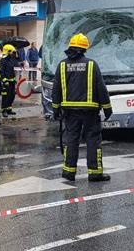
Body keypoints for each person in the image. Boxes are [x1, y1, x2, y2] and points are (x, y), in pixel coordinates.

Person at [51, 33, 112, 182]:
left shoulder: (62, 65)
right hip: (90, 111)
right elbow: (101, 88)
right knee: (93, 141)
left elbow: (56, 88)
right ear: (84, 49)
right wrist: (107, 107)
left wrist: (55, 108)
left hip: (70, 112)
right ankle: (95, 173)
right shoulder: (91, 64)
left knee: (71, 140)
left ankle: (69, 172)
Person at [0, 44, 19, 118]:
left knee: (11, 96)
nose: (13, 53)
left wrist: (14, 79)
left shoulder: (10, 60)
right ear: (8, 51)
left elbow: (12, 70)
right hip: (6, 82)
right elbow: (1, 72)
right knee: (6, 97)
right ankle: (4, 110)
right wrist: (4, 81)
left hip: (12, 82)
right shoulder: (3, 60)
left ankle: (9, 109)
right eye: (12, 52)